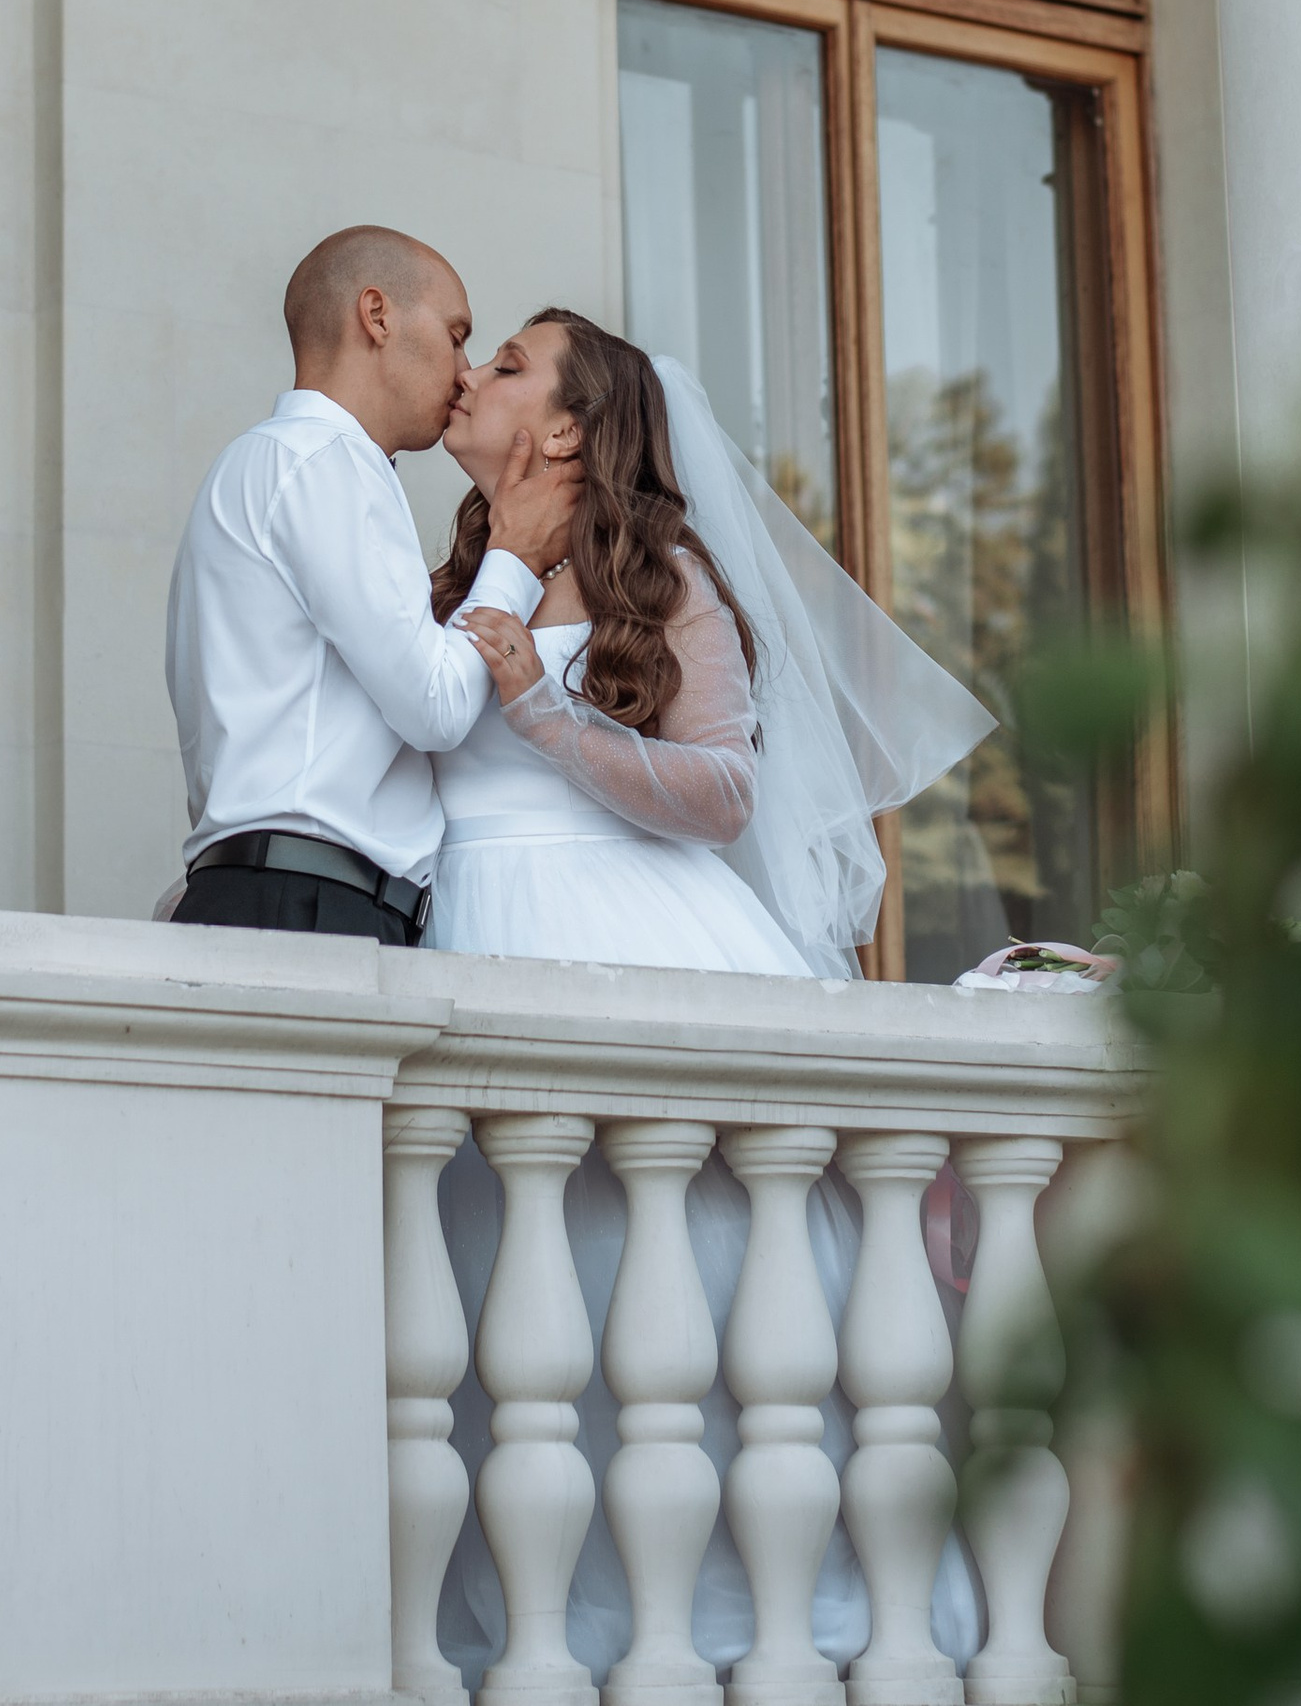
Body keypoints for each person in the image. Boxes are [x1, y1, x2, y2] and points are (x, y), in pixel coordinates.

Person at [416, 309, 997, 1687]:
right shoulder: (449, 574)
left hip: (633, 938)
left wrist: (550, 719)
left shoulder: (663, 576)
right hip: (469, 940)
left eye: (505, 364)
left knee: (680, 1299)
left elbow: (728, 788)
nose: (470, 375)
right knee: (502, 1307)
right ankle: (553, 1626)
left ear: (562, 427)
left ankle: (757, 1621)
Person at [158, 227, 579, 944]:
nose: (464, 371)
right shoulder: (324, 462)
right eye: (455, 335)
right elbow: (436, 707)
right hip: (308, 906)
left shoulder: (269, 464)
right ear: (377, 316)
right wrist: (513, 553)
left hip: (283, 893)